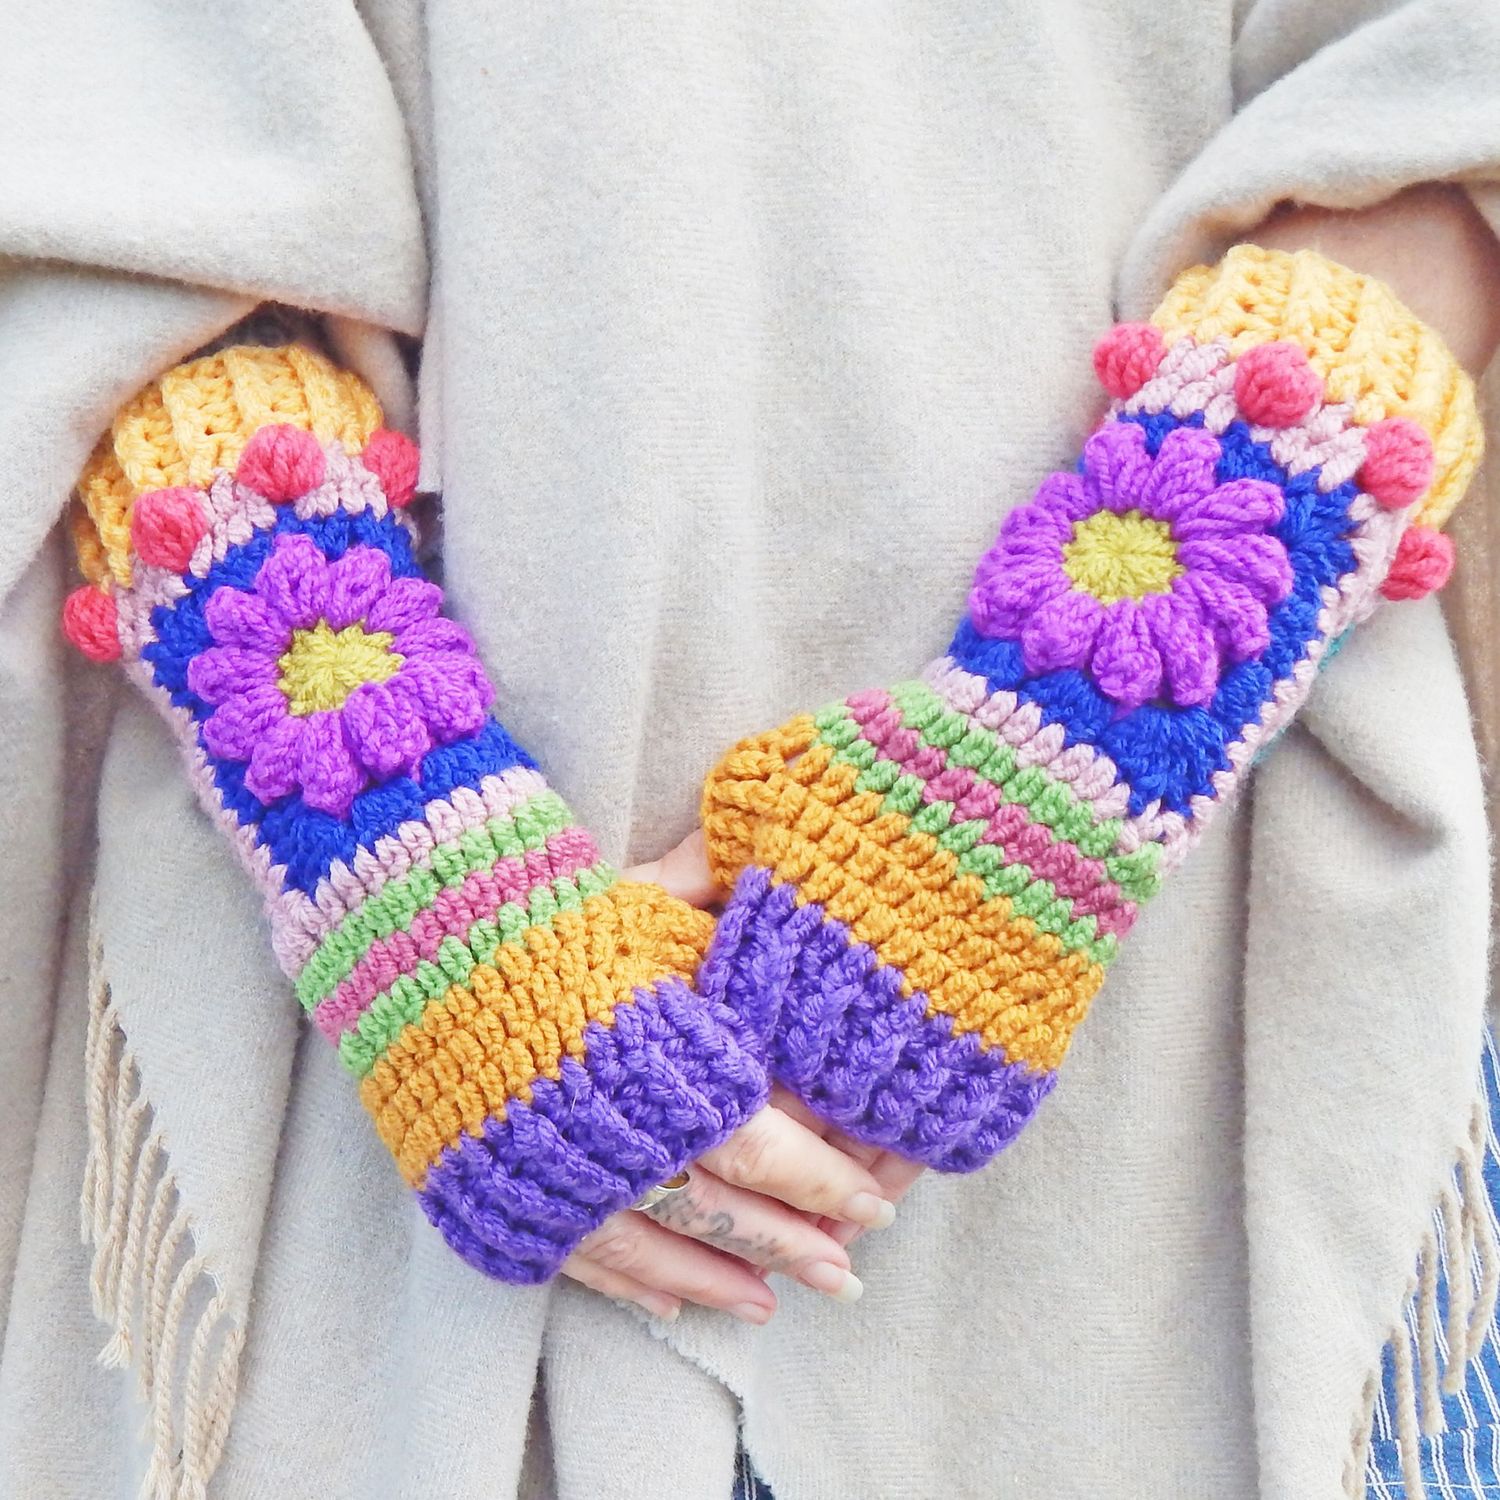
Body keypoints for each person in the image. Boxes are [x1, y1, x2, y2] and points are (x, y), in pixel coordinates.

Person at [1, 4, 1498, 1497]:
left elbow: (1436, 110)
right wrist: (404, 855)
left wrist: (1073, 740)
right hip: (350, 1085)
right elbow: (100, 198)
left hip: (1174, 1003)